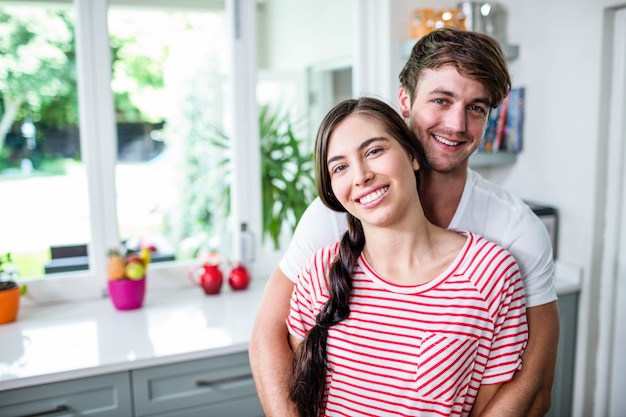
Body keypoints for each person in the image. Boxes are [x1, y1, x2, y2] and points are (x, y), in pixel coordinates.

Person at [250, 28, 559, 417]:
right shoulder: (337, 215)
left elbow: (533, 384)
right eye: (441, 100)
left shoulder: (515, 235)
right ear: (405, 101)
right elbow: (268, 337)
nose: (457, 124)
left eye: (476, 108)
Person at [287, 97, 528, 417]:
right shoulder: (319, 272)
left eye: (374, 151)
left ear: (412, 155)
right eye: (340, 167)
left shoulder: (491, 275)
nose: (360, 176)